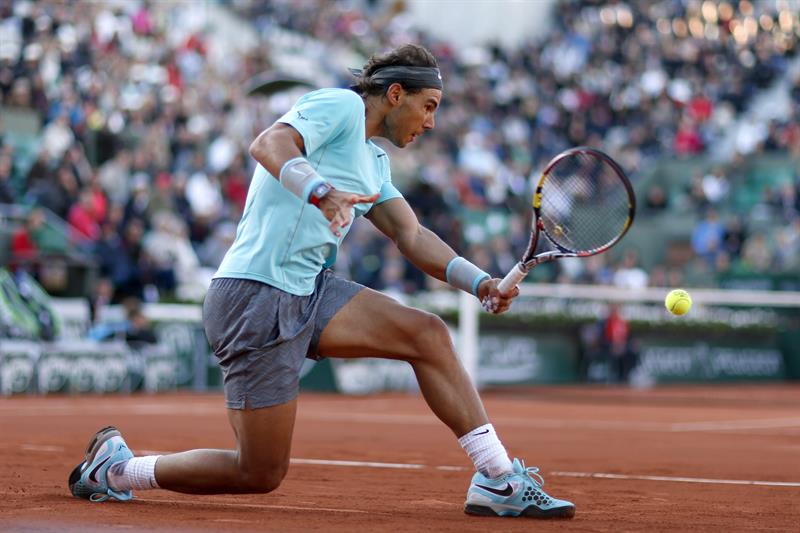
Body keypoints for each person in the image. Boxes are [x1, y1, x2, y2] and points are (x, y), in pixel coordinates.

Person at [68, 44, 575, 519]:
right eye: (428, 106)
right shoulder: (341, 105)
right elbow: (269, 143)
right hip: (254, 296)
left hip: (309, 290)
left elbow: (413, 235)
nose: (431, 122)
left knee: (428, 334)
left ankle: (497, 478)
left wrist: (481, 282)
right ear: (395, 94)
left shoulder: (374, 161)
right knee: (258, 473)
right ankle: (117, 469)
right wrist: (320, 191)